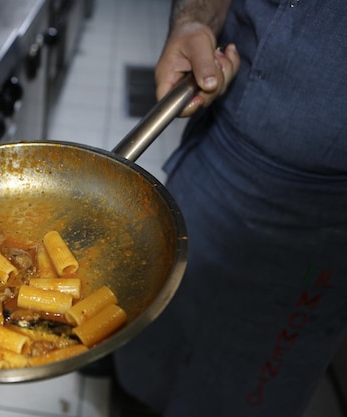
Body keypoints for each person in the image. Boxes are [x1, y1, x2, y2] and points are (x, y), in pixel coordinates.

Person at [113, 0, 347, 416]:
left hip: (329, 211)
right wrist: (193, 20)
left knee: (242, 392)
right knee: (150, 341)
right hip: (220, 142)